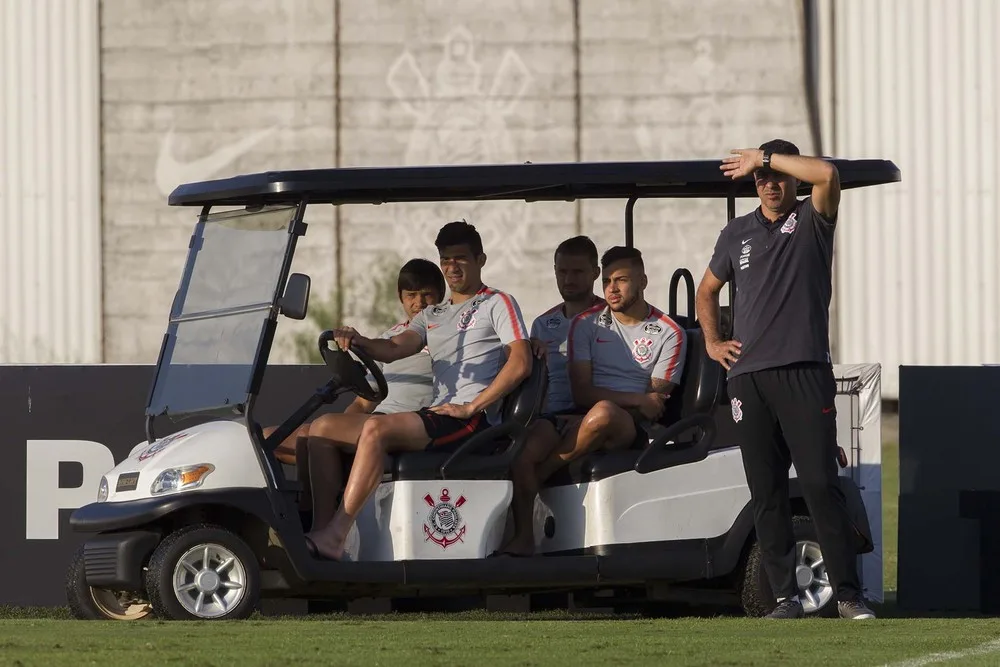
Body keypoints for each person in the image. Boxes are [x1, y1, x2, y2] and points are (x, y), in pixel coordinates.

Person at [695, 139, 875, 620]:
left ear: (791, 177)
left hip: (804, 371)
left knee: (819, 483)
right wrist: (714, 344)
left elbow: (828, 176)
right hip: (749, 379)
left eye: (775, 175)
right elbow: (707, 290)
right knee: (766, 491)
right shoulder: (736, 233)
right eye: (760, 178)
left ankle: (849, 595)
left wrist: (764, 157)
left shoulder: (813, 219)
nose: (769, 184)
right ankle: (784, 598)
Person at [304, 220, 532, 561]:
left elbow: (520, 362)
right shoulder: (432, 314)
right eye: (445, 260)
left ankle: (337, 535)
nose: (452, 267)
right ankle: (321, 535)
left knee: (377, 428)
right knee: (322, 429)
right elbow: (395, 348)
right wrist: (359, 340)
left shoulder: (497, 303)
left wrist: (472, 407)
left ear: (480, 260)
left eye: (460, 259)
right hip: (437, 413)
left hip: (471, 420)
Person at [498, 246, 686, 558]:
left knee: (601, 414)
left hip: (629, 426)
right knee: (523, 450)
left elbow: (655, 404)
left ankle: (544, 473)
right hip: (582, 413)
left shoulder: (670, 332)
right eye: (608, 281)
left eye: (622, 280)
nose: (613, 288)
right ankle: (523, 538)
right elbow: (582, 392)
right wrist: (636, 397)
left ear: (643, 281)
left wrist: (632, 402)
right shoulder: (585, 324)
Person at [274, 258, 445, 531]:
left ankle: (320, 527)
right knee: (279, 436)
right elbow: (364, 400)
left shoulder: (447, 336)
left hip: (413, 424)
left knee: (321, 430)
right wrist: (342, 429)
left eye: (427, 295)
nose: (419, 303)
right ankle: (302, 514)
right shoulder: (389, 338)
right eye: (411, 295)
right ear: (401, 298)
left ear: (441, 295)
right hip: (377, 418)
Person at [496, 235, 605, 557]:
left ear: (595, 273)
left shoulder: (610, 319)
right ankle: (525, 538)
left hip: (595, 410)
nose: (569, 280)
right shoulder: (544, 324)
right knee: (521, 453)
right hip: (552, 414)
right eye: (562, 272)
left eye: (578, 272)